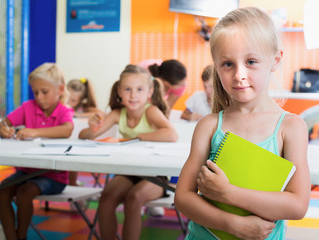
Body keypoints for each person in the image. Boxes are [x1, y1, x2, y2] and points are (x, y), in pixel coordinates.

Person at [174, 7, 310, 240]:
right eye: (227, 64)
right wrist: (233, 224)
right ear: (216, 66)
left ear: (275, 60)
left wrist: (228, 193)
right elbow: (183, 198)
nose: (239, 74)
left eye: (251, 61)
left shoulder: (290, 127)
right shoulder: (209, 126)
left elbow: (297, 206)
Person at [79, 64, 178, 240]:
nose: (133, 95)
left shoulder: (151, 111)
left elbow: (171, 134)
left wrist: (138, 137)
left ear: (149, 91)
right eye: (127, 89)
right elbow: (85, 136)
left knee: (134, 198)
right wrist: (92, 128)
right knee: (107, 197)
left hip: (155, 177)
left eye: (139, 89)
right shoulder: (118, 114)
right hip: (128, 173)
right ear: (119, 91)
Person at [0, 63, 74, 240]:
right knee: (1, 192)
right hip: (26, 172)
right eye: (35, 92)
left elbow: (66, 130)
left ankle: (21, 236)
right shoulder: (27, 107)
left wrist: (35, 131)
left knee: (24, 193)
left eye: (44, 92)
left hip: (54, 176)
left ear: (60, 89)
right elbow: (1, 125)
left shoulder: (64, 111)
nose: (39, 97)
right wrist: (3, 130)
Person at [66, 77, 103, 186]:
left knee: (72, 156)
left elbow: (101, 113)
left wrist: (78, 115)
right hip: (64, 143)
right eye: (67, 98)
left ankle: (73, 184)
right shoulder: (59, 107)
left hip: (78, 146)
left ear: (80, 100)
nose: (68, 102)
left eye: (73, 100)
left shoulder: (83, 108)